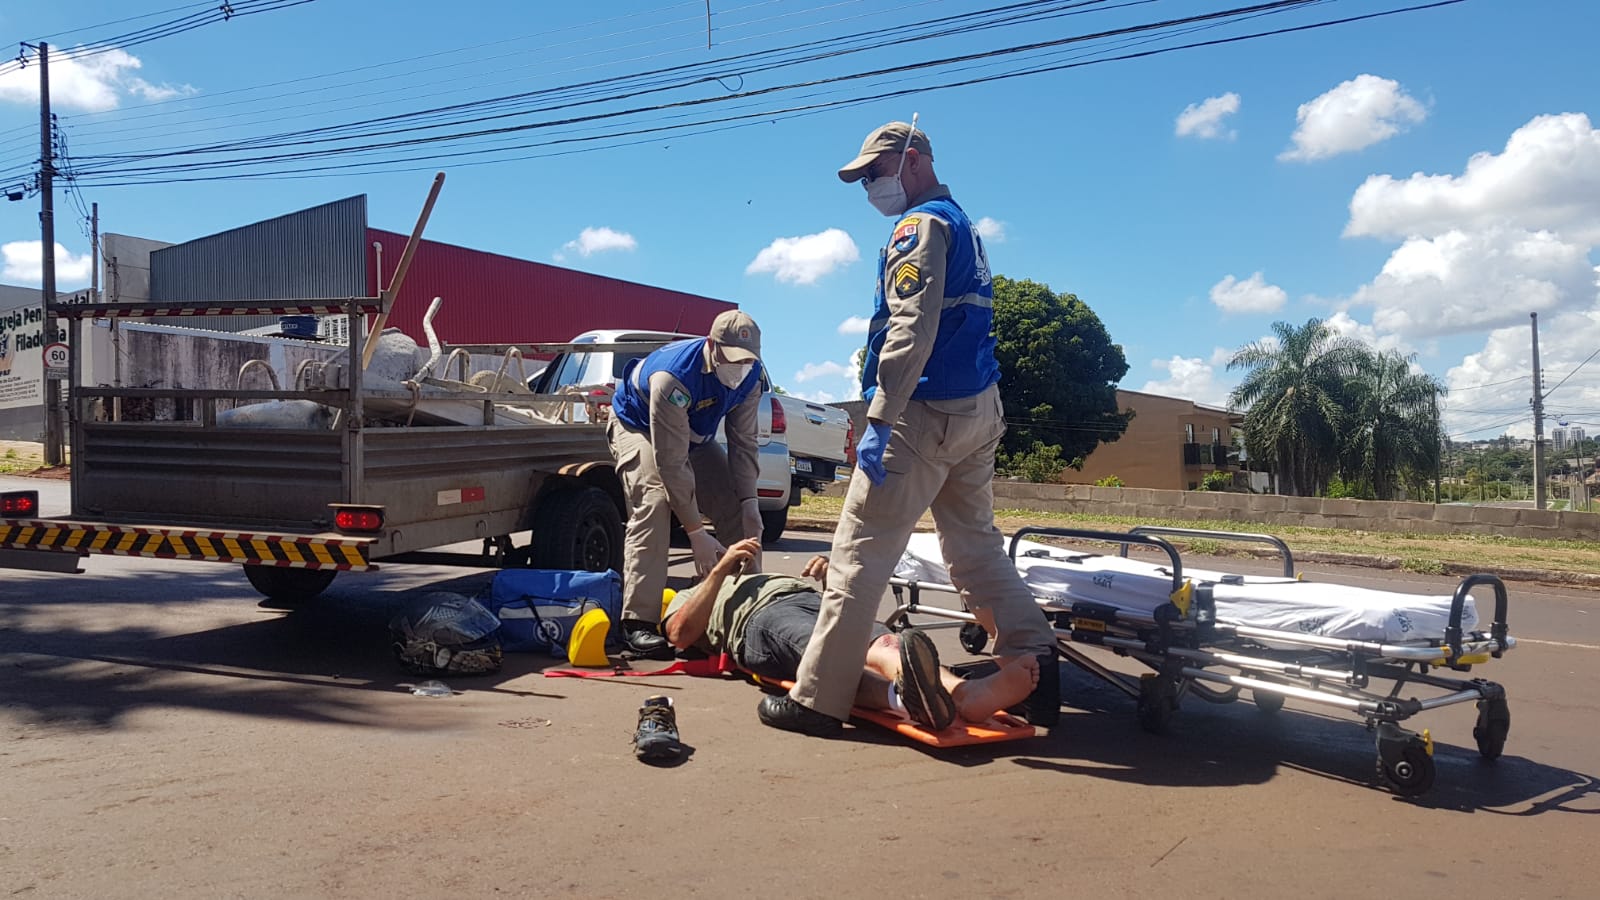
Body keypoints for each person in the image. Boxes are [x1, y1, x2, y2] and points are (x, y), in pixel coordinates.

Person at [758, 120, 1061, 738]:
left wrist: (880, 417)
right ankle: (1037, 669)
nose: (869, 185)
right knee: (975, 548)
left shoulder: (918, 226)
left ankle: (819, 699)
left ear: (913, 159)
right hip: (978, 408)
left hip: (923, 413)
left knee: (856, 556)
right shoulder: (963, 223)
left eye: (874, 171)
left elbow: (911, 328)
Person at [663, 538, 1041, 731]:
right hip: (758, 621)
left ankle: (964, 693)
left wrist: (829, 579)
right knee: (830, 658)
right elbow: (680, 634)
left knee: (881, 640)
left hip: (805, 599)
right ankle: (906, 699)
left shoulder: (759, 576)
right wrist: (719, 572)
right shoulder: (688, 594)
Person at [606, 309, 767, 660]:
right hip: (639, 426)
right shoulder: (674, 378)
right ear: (712, 346)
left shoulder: (751, 376)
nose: (739, 369)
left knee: (737, 510)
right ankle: (638, 623)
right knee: (655, 501)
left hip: (694, 435)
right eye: (733, 360)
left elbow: (744, 444)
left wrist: (751, 503)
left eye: (747, 361)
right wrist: (695, 532)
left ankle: (745, 609)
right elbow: (671, 462)